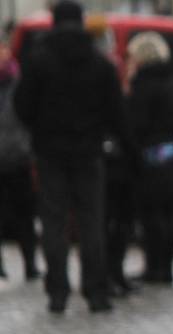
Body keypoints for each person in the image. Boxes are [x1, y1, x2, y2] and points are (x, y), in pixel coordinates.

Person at [13, 0, 137, 313]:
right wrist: (129, 149)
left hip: (50, 151)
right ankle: (95, 290)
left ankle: (57, 290)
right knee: (91, 221)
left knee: (53, 223)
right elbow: (117, 113)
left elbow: (22, 105)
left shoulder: (39, 61)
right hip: (89, 152)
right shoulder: (100, 63)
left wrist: (41, 130)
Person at [127, 31, 173, 285]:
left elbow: (136, 123)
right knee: (168, 212)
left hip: (148, 157)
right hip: (170, 156)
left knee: (151, 214)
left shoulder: (143, 84)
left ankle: (154, 267)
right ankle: (166, 267)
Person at [0, 30, 38, 281]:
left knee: (25, 214)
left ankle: (30, 264)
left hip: (19, 158)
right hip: (9, 157)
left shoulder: (21, 83)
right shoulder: (21, 83)